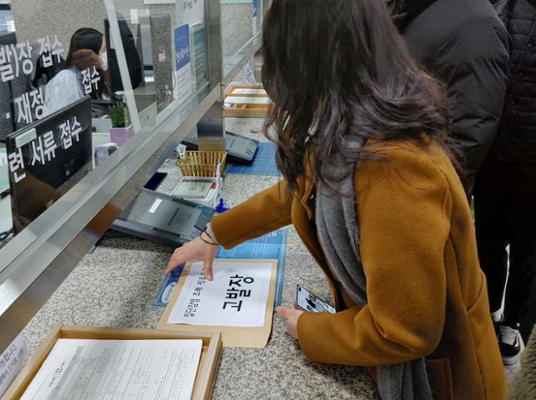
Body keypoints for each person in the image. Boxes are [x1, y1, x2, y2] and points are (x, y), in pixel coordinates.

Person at [167, 0, 505, 398]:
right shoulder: (358, 124)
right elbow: (298, 190)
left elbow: (404, 331)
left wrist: (310, 330)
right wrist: (214, 236)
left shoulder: (393, 168)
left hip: (438, 383)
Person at [388, 0, 510, 194]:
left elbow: (470, 133)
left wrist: (421, 193)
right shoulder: (407, 9)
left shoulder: (476, 25)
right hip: (388, 182)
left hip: (421, 197)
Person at [475, 0, 536, 366]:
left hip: (532, 157)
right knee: (489, 236)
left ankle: (513, 320)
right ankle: (487, 308)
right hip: (494, 147)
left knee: (529, 246)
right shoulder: (499, 6)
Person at [44, 27, 112, 115]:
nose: (105, 55)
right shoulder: (65, 79)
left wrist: (105, 69)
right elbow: (57, 119)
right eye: (103, 51)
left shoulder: (94, 77)